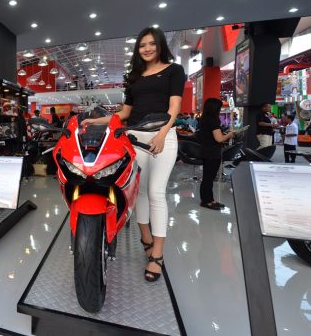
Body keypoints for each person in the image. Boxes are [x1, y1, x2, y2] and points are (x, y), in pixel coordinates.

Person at [81, 26, 185, 282]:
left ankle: (157, 254)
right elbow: (124, 113)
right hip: (135, 137)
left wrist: (162, 134)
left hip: (163, 136)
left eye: (151, 44)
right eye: (142, 45)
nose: (147, 49)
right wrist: (95, 121)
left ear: (160, 45)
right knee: (138, 192)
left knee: (156, 192)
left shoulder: (174, 70)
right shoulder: (135, 77)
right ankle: (146, 238)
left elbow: (174, 106)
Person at [198, 98, 234, 210]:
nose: (220, 109)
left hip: (206, 151)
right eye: (219, 107)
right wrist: (229, 135)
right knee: (209, 178)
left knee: (207, 178)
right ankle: (207, 201)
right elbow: (219, 139)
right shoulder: (213, 120)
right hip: (212, 153)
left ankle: (209, 199)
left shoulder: (204, 119)